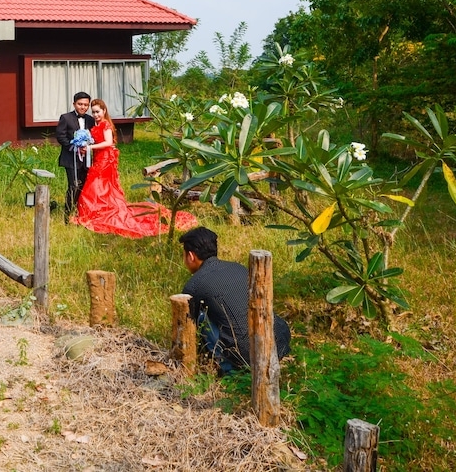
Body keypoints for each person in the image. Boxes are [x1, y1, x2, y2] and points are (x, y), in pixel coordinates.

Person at [72, 99, 198, 238]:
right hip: (98, 158)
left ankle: (101, 210)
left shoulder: (106, 124)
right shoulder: (97, 125)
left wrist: (90, 147)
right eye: (93, 112)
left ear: (104, 111)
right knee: (99, 186)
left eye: (98, 112)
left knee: (99, 185)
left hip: (105, 159)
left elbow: (108, 142)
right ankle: (102, 209)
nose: (95, 115)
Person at [180, 227, 291, 373]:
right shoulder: (238, 267)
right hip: (278, 341)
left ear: (191, 256)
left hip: (245, 356)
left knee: (201, 317)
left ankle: (227, 369)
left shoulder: (194, 285)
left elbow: (188, 326)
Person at [56, 91, 95, 223]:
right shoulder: (65, 118)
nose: (83, 107)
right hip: (70, 159)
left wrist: (87, 147)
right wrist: (75, 147)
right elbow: (61, 136)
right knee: (74, 186)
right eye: (80, 104)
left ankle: (80, 214)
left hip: (86, 160)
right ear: (74, 104)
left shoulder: (91, 120)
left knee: (84, 186)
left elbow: (93, 137)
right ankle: (67, 215)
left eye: (85, 105)